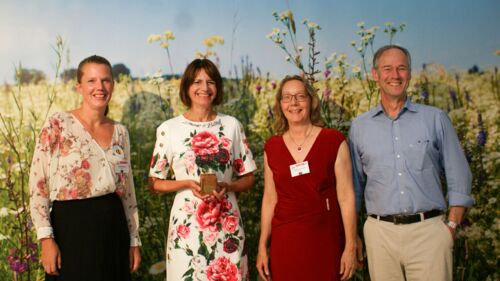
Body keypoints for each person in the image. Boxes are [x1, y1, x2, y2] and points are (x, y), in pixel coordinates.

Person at [349, 45, 474, 281]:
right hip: (379, 235)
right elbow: (354, 188)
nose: (395, 75)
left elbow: (460, 176)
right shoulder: (359, 127)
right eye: (387, 68)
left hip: (429, 233)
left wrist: (451, 227)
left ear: (410, 73)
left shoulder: (435, 118)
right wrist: (353, 235)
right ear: (375, 74)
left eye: (401, 68)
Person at [29, 55, 141, 281]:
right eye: (91, 81)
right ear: (79, 87)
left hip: (113, 229)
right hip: (70, 229)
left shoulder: (120, 132)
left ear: (113, 85)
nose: (99, 87)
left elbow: (127, 191)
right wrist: (46, 239)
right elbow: (37, 184)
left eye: (105, 80)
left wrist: (134, 240)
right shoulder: (58, 124)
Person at [148, 58, 256, 281]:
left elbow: (248, 177)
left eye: (210, 82)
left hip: (227, 224)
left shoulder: (232, 126)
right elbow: (155, 182)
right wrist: (187, 183)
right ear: (187, 87)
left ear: (218, 87)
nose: (204, 88)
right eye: (197, 82)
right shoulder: (169, 129)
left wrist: (229, 185)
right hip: (187, 229)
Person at [256, 75, 358, 281]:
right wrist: (261, 248)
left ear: (311, 101)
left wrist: (350, 246)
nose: (293, 103)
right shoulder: (272, 147)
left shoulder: (333, 140)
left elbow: (346, 197)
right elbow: (269, 200)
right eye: (287, 97)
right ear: (280, 104)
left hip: (325, 241)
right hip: (285, 243)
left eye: (300, 96)